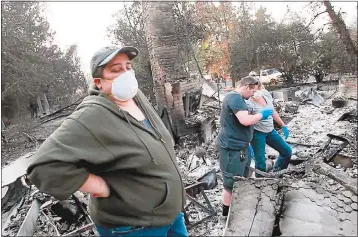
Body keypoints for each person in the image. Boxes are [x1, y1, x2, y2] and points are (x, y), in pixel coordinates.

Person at [26, 46, 188, 237]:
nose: (126, 74)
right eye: (116, 69)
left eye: (128, 67)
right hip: (136, 227)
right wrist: (98, 186)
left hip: (168, 214)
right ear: (99, 82)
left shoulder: (135, 96)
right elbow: (42, 167)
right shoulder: (91, 115)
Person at [217, 76, 273, 219]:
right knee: (230, 182)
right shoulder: (234, 98)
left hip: (241, 147)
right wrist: (262, 114)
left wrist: (247, 144)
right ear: (247, 87)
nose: (253, 94)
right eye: (252, 91)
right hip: (231, 148)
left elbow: (239, 125)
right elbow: (245, 120)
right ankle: (226, 215)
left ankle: (238, 207)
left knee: (242, 179)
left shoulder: (239, 99)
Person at [246, 81, 292, 177]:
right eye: (252, 90)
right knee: (260, 162)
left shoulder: (266, 94)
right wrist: (247, 142)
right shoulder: (248, 103)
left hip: (270, 131)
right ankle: (261, 184)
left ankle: (277, 173)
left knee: (287, 151)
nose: (254, 93)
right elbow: (246, 122)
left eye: (256, 89)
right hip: (257, 133)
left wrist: (283, 125)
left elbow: (272, 111)